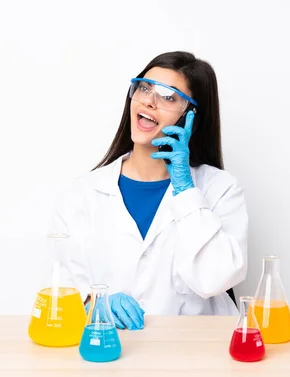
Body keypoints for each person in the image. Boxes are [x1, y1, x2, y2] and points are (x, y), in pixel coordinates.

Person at [50, 51, 248, 330]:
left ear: (190, 117)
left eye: (168, 97)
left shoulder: (221, 190)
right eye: (144, 88)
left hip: (199, 360)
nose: (149, 101)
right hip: (112, 357)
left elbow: (215, 279)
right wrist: (94, 303)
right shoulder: (81, 195)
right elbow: (63, 291)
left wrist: (185, 190)